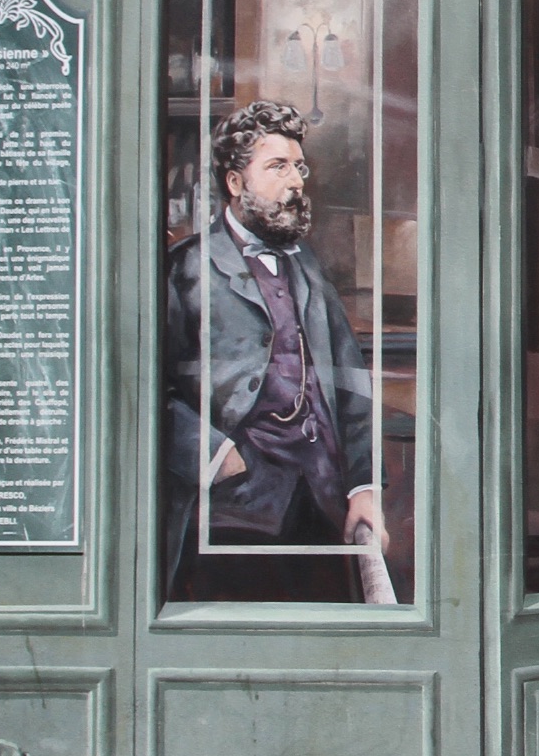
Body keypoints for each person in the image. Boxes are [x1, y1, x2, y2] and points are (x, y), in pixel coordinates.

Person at [161, 100, 387, 600]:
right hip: (231, 508)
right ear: (236, 182)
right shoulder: (187, 269)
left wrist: (363, 488)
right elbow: (145, 391)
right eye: (277, 166)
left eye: (299, 166)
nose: (296, 181)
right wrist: (217, 457)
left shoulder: (306, 266)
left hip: (322, 501)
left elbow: (350, 381)